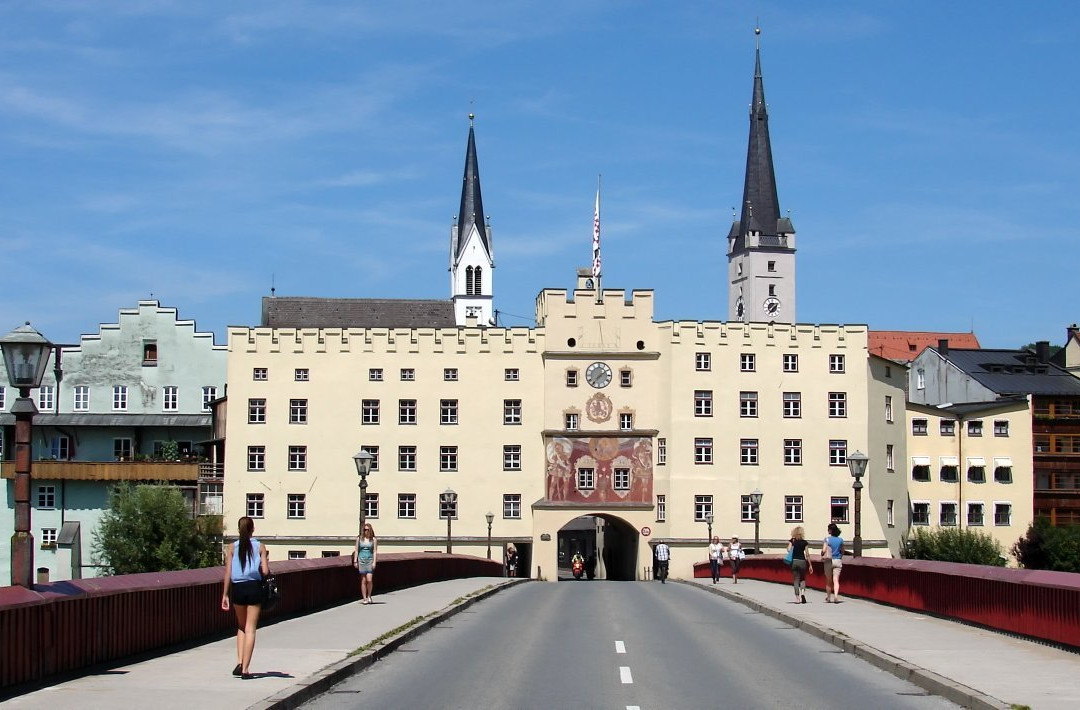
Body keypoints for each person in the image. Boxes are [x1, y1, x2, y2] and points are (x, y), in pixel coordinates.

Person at [221, 516, 270, 680]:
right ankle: (246, 669)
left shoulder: (232, 547)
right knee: (251, 629)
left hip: (238, 589)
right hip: (254, 587)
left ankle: (240, 661)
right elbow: (265, 571)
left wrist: (225, 594)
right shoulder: (260, 546)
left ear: (238, 530)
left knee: (241, 626)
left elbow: (228, 572)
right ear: (253, 529)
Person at [352, 523, 378, 605]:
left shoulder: (373, 540)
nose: (366, 531)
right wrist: (355, 561)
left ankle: (369, 595)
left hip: (369, 560)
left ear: (370, 530)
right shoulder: (359, 539)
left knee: (369, 579)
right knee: (363, 580)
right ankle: (364, 598)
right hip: (361, 560)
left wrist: (374, 562)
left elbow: (374, 551)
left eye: (367, 530)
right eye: (364, 530)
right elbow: (356, 550)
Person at [787, 526, 812, 603]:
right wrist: (810, 565)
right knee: (803, 578)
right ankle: (803, 594)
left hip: (794, 561)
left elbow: (788, 549)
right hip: (802, 561)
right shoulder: (805, 542)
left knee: (796, 580)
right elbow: (807, 554)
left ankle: (797, 598)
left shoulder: (792, 541)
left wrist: (792, 548)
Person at [821, 523, 844, 603]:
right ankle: (836, 596)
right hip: (837, 560)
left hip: (828, 561)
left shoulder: (827, 539)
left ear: (830, 530)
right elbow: (842, 551)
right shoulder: (840, 540)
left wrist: (822, 553)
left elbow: (824, 550)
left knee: (828, 580)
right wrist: (840, 556)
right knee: (836, 580)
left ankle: (828, 597)